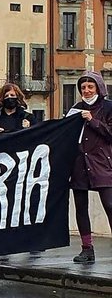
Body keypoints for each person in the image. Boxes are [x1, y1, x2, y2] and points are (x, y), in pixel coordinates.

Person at [69, 72, 112, 264]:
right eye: (83, 88)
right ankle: (87, 249)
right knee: (80, 206)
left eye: (90, 87)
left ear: (98, 88)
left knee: (110, 205)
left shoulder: (109, 107)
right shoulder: (76, 108)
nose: (86, 91)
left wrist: (92, 121)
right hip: (79, 163)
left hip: (102, 162)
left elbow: (110, 134)